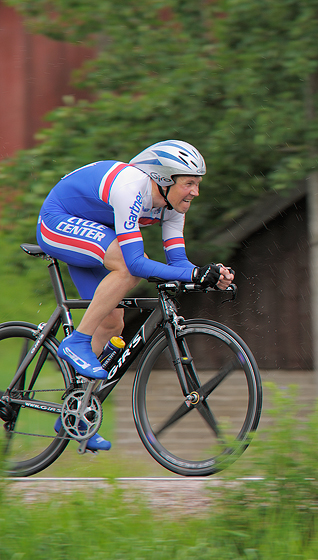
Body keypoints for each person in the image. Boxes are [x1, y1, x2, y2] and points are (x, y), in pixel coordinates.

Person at [36, 140, 234, 451]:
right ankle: (76, 342)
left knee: (113, 324)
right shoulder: (131, 187)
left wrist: (209, 276)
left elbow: (179, 264)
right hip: (57, 221)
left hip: (96, 230)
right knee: (127, 271)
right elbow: (136, 263)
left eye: (197, 183)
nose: (196, 192)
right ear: (165, 180)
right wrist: (194, 274)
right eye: (190, 183)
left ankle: (73, 412)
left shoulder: (173, 206)